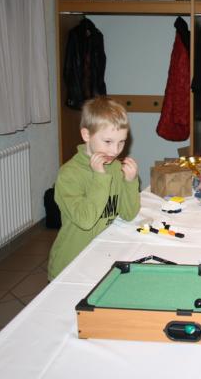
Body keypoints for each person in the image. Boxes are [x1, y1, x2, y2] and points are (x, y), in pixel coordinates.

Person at [47, 96, 141, 280]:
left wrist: (130, 182)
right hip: (71, 265)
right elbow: (85, 220)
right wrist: (100, 177)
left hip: (102, 258)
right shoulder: (69, 175)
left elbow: (128, 214)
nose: (115, 150)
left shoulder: (115, 167)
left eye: (121, 142)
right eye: (108, 142)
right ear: (86, 135)